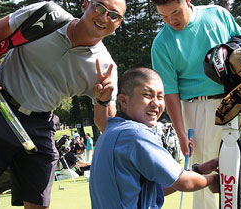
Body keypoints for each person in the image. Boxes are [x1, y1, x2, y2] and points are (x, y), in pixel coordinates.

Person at [0, 0, 126, 209]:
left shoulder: (105, 66)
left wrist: (102, 100)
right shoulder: (47, 14)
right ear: (85, 5)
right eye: (100, 8)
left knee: (39, 205)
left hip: (41, 125)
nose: (104, 18)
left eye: (113, 15)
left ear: (118, 24)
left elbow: (105, 125)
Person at [150, 0, 241, 209]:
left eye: (175, 12)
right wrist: (181, 132)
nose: (171, 21)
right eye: (164, 17)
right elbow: (170, 92)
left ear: (187, 1)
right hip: (196, 107)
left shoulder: (217, 15)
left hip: (235, 97)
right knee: (203, 171)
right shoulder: (161, 43)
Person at [89, 67, 219, 209]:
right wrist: (213, 180)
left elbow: (158, 188)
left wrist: (198, 171)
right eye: (147, 95)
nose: (156, 103)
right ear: (124, 101)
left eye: (160, 96)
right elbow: (183, 182)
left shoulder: (111, 132)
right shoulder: (136, 134)